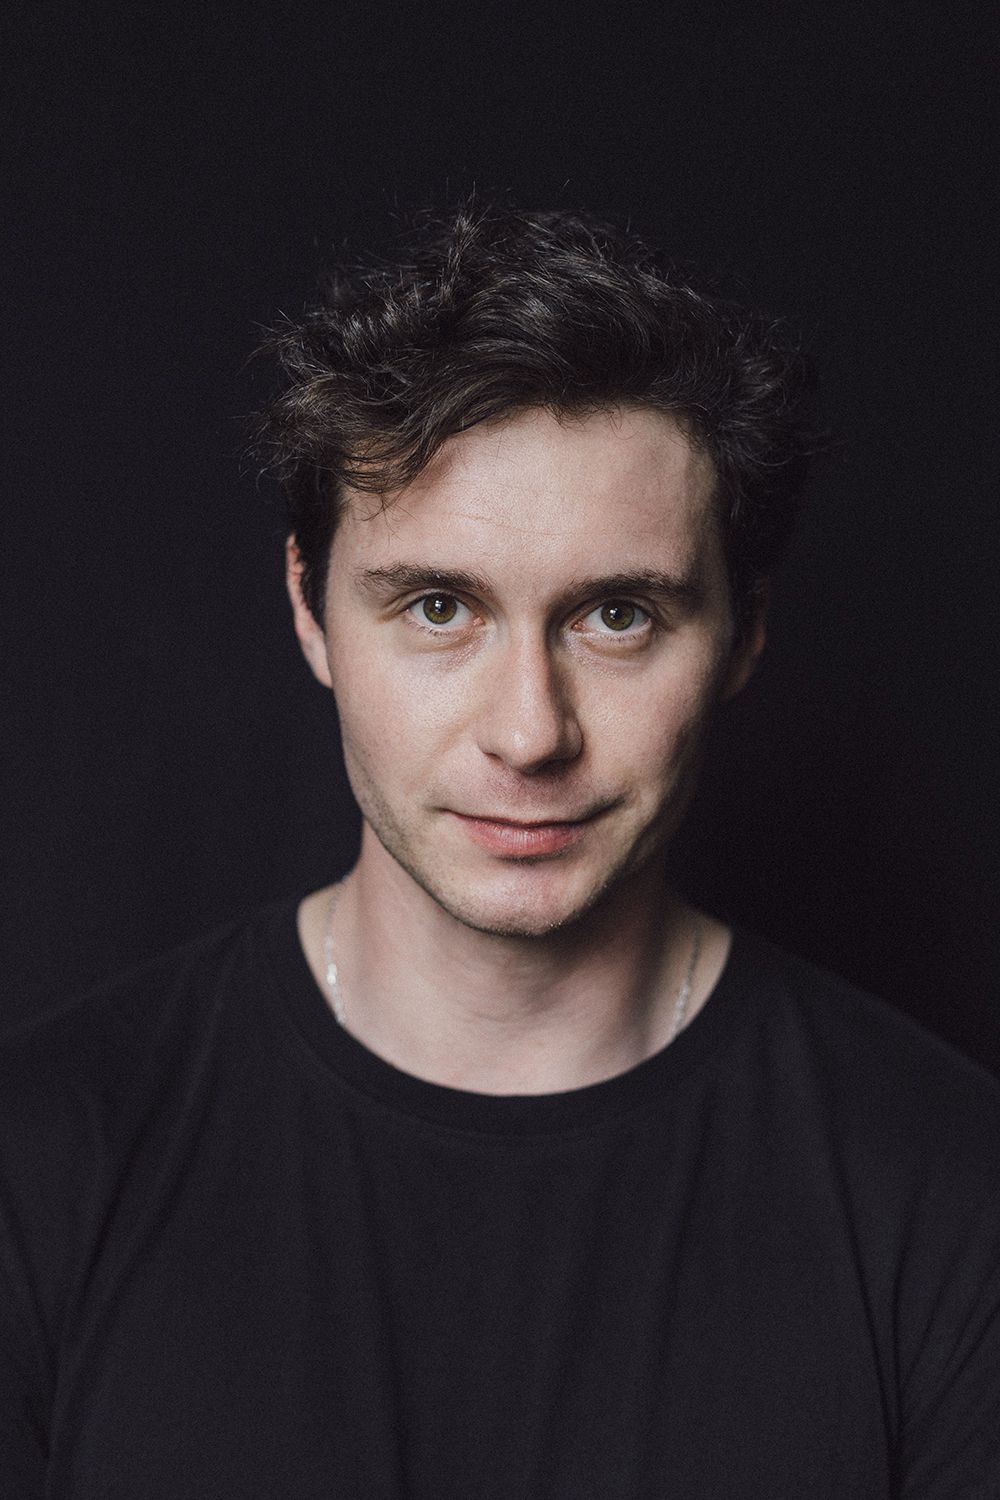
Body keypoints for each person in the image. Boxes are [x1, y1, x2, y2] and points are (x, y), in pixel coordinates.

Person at [1, 202, 997, 1499]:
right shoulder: (41, 1164)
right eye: (438, 607)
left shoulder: (952, 1192)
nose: (529, 733)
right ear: (310, 610)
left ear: (744, 635)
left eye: (619, 616)